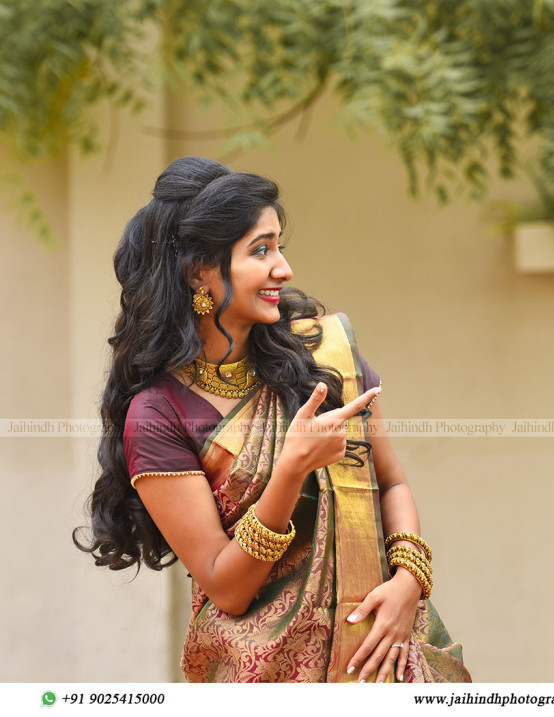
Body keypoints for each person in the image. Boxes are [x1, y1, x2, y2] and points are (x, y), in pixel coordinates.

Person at [75, 156, 470, 684]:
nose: (282, 268)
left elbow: (391, 482)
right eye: (260, 250)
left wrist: (407, 583)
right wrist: (290, 470)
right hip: (264, 676)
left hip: (387, 654)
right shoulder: (158, 414)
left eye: (279, 246)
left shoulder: (326, 358)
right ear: (199, 271)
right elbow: (226, 585)